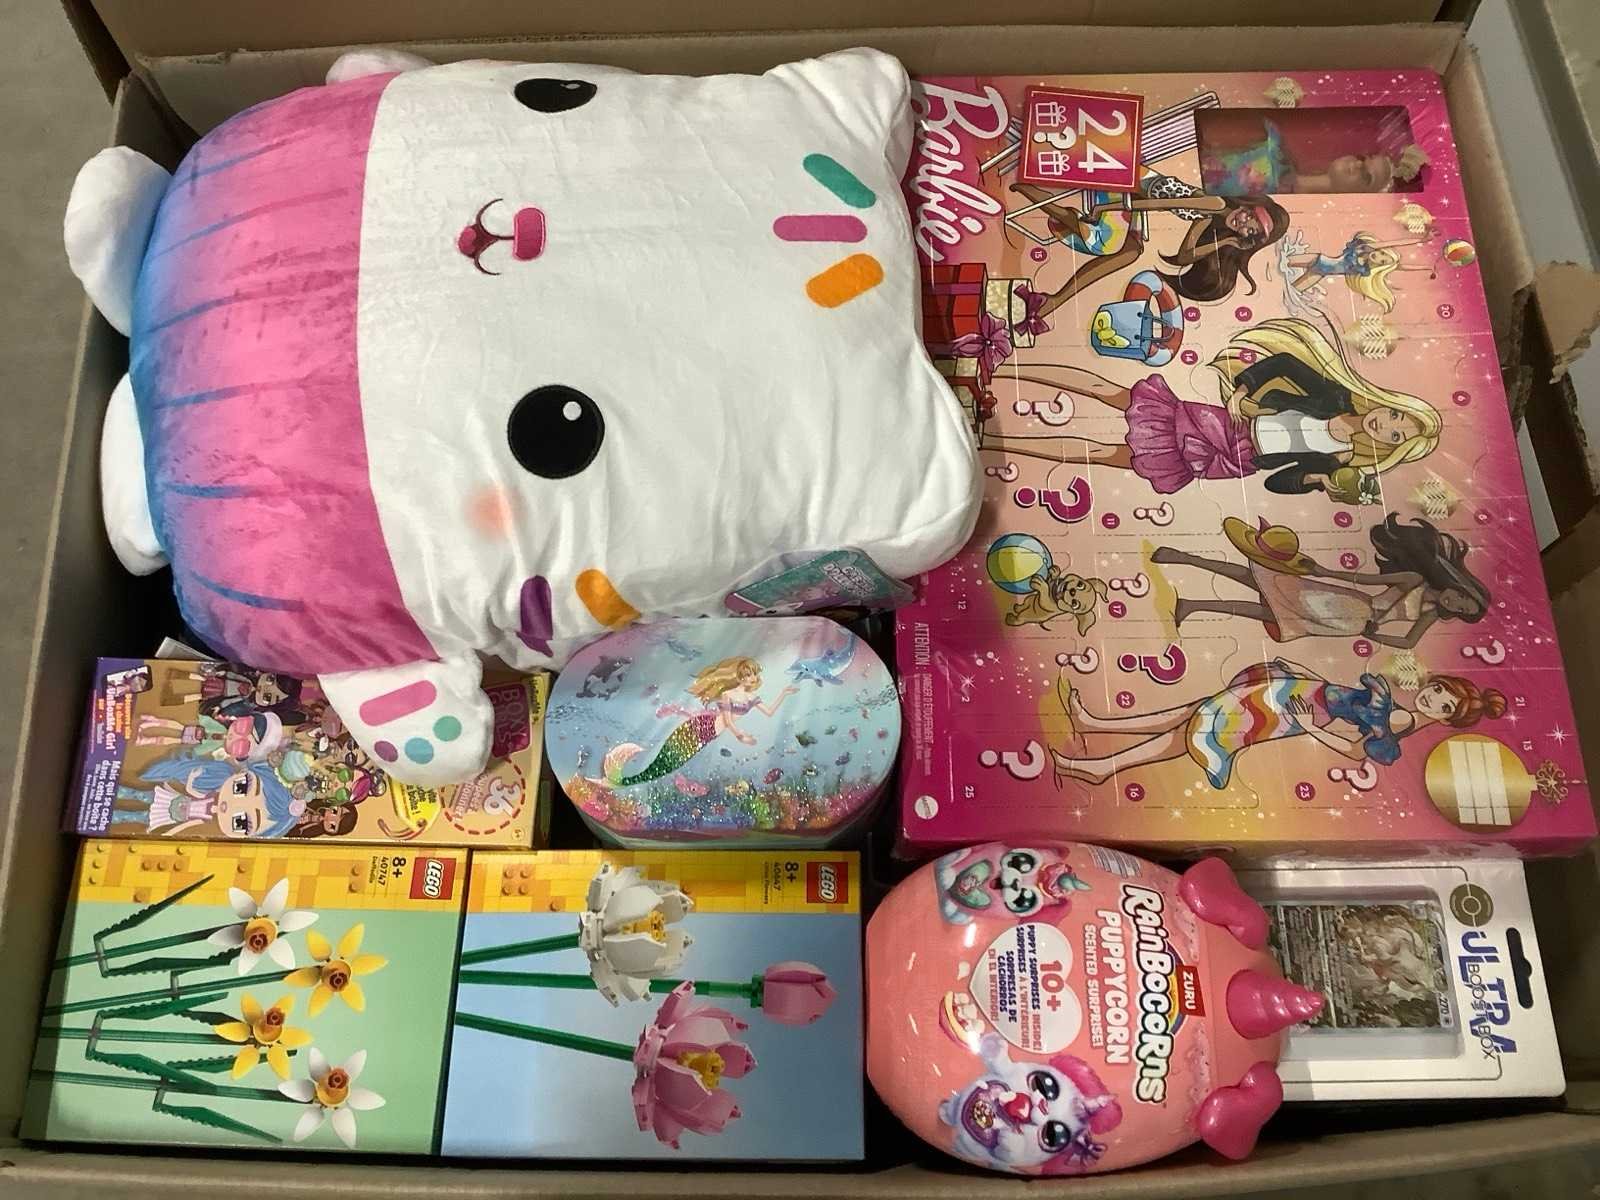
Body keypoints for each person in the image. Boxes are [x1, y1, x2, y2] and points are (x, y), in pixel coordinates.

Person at [981, 318, 1442, 505]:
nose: (1387, 426)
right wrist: (1243, 390)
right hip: (1225, 422)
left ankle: (998, 442)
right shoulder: (1335, 396)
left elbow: (1277, 482)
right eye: (1396, 416)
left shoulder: (1337, 461)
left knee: (1102, 456)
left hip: (1231, 460)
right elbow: (1284, 363)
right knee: (1112, 393)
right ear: (1388, 403)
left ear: (1389, 448)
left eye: (1396, 435)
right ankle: (1009, 367)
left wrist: (1318, 480)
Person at [1053, 663, 1505, 789]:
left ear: (1446, 719)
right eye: (1439, 690)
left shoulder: (1399, 720)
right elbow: (1345, 696)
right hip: (1308, 693)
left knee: (1202, 722)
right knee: (1197, 712)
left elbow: (1354, 749)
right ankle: (1097, 736)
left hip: (1304, 709)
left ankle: (1100, 754)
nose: (1432, 698)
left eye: (1443, 705)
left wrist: (1311, 727)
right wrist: (1304, 673)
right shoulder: (1400, 709)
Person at [1153, 514, 1490, 648]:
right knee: (1259, 581)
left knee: (1270, 614)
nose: (1456, 604)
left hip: (1349, 625)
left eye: (1461, 610)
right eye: (1463, 598)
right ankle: (1185, 558)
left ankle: (1193, 605)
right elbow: (1366, 579)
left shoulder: (1430, 614)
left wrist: (1376, 636)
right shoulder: (1414, 579)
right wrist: (1325, 573)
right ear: (1460, 587)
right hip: (1344, 602)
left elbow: (1409, 643)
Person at [1009, 177, 1289, 310]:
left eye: (1249, 231)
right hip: (1133, 186)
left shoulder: (1211, 218)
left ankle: (1056, 300)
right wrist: (1109, 208)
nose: (1242, 223)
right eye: (1249, 216)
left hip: (1137, 198)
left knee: (1130, 253)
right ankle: (1035, 195)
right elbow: (1159, 204)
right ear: (1247, 204)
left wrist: (1225, 240)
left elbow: (1185, 256)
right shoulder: (1215, 203)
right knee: (1102, 243)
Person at [598, 657, 798, 788]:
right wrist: (740, 735)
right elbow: (728, 720)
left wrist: (783, 693)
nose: (751, 677)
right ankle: (619, 780)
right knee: (666, 763)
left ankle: (619, 780)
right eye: (747, 674)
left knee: (668, 764)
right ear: (740, 677)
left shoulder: (752, 698)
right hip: (703, 727)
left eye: (753, 673)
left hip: (708, 734)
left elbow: (770, 712)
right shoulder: (728, 694)